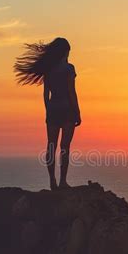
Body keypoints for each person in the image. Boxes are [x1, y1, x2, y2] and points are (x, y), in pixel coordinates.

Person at [14, 38, 81, 190]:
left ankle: (52, 181)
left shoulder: (48, 70)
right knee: (65, 147)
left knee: (51, 146)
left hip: (53, 109)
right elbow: (72, 91)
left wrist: (48, 110)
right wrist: (77, 112)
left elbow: (45, 94)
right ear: (65, 51)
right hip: (67, 109)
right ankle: (63, 181)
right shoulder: (69, 68)